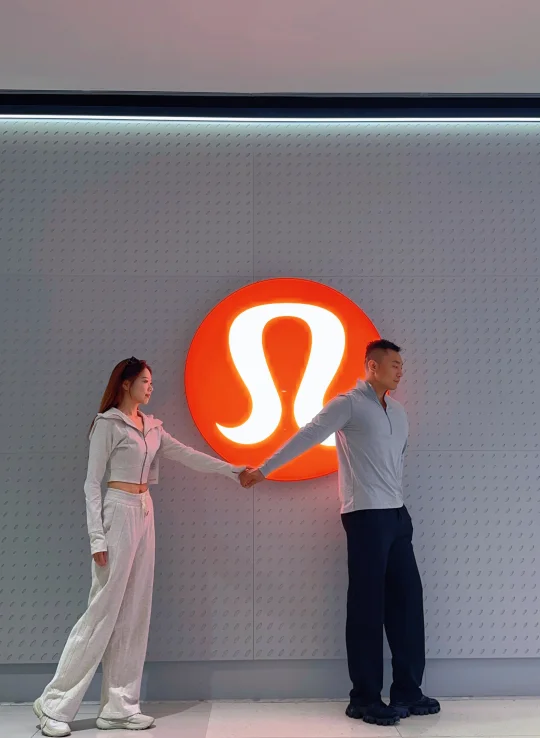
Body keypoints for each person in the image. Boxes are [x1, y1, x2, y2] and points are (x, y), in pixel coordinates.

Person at [34, 357, 248, 737]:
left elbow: (188, 455)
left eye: (151, 382)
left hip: (145, 510)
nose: (151, 387)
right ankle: (52, 704)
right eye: (145, 381)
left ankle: (119, 708)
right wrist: (96, 537)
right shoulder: (108, 424)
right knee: (102, 612)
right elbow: (91, 483)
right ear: (126, 383)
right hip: (117, 513)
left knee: (135, 611)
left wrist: (233, 471)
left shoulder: (152, 427)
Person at [241, 340, 440, 726]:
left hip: (398, 515)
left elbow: (397, 460)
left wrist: (399, 507)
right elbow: (307, 435)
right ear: (372, 366)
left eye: (402, 365)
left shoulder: (399, 412)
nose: (401, 371)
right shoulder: (348, 404)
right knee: (367, 606)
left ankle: (407, 690)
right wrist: (264, 470)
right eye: (394, 364)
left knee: (407, 601)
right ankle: (364, 698)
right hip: (365, 515)